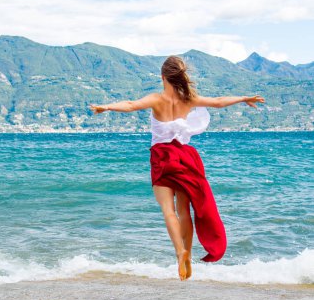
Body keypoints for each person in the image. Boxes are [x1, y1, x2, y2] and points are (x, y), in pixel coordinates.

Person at [90, 55, 265, 281]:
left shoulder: (157, 99)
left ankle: (179, 252)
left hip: (162, 158)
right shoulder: (189, 98)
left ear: (163, 76)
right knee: (184, 210)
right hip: (185, 157)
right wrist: (243, 98)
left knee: (168, 210)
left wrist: (107, 106)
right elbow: (219, 101)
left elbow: (131, 105)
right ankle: (189, 253)